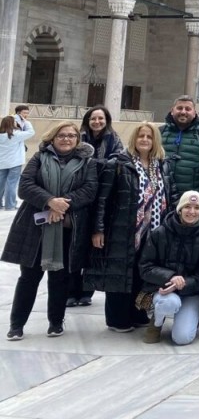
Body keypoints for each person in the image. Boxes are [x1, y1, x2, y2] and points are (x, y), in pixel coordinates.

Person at [3, 121, 98, 340]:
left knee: (60, 278)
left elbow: (90, 190)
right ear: (53, 138)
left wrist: (63, 204)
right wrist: (49, 201)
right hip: (35, 229)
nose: (66, 139)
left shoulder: (87, 162)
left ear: (77, 139)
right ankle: (17, 324)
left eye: (71, 136)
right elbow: (25, 186)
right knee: (29, 277)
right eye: (62, 135)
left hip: (67, 229)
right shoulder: (39, 158)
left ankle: (56, 322)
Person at [87, 122, 172, 332]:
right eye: (141, 136)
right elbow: (103, 200)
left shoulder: (162, 165)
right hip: (122, 230)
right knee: (119, 274)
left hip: (152, 232)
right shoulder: (117, 163)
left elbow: (170, 196)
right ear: (134, 139)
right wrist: (98, 229)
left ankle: (138, 313)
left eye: (149, 137)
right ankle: (118, 319)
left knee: (142, 275)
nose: (144, 140)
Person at [138, 190, 199, 345]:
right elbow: (145, 267)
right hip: (162, 289)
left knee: (182, 338)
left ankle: (191, 320)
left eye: (197, 208)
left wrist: (183, 283)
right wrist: (170, 277)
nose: (191, 211)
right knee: (169, 303)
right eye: (187, 207)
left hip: (190, 292)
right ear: (179, 209)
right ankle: (157, 323)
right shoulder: (160, 233)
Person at [72, 105, 125, 308]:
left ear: (106, 120)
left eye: (101, 118)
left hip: (103, 196)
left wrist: (94, 163)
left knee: (96, 246)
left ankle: (87, 291)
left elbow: (117, 161)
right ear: (88, 120)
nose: (97, 122)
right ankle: (72, 289)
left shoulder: (114, 139)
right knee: (76, 245)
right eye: (93, 118)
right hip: (81, 196)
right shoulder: (78, 137)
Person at [160, 95, 199, 214]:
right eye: (179, 108)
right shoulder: (159, 133)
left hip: (190, 201)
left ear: (195, 112)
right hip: (161, 197)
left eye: (188, 109)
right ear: (172, 110)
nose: (183, 112)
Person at [0, 114, 34, 210]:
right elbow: (31, 132)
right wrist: (25, 121)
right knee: (12, 184)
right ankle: (10, 205)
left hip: (2, 163)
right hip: (14, 162)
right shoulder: (16, 135)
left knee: (1, 183)